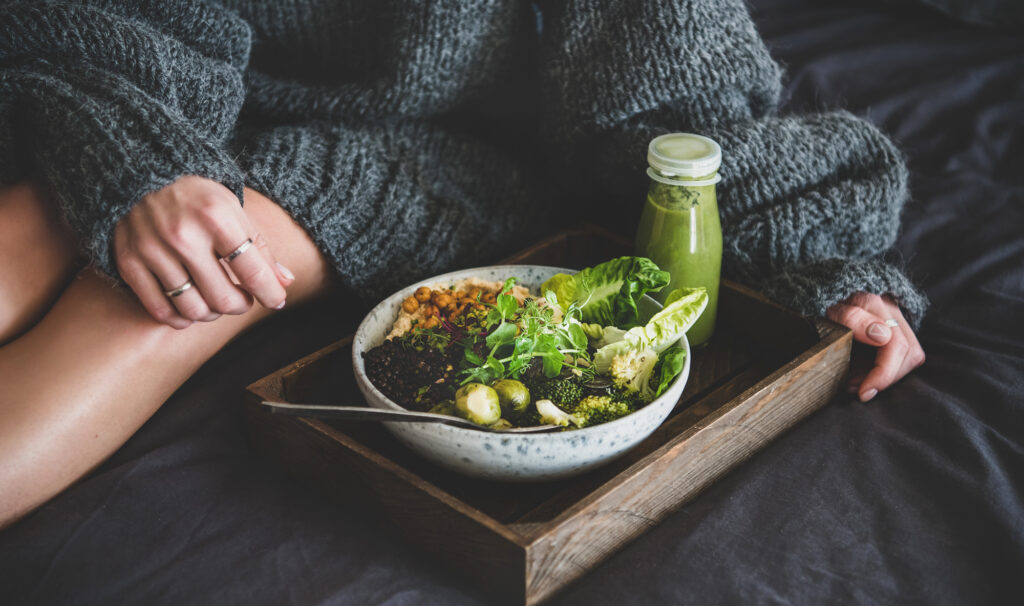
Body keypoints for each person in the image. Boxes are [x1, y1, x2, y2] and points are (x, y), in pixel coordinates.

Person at [0, 0, 924, 527]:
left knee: (172, 291)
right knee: (36, 218)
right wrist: (134, 158)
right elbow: (99, 26)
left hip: (457, 151)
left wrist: (819, 261)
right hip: (167, 83)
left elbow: (682, 113)